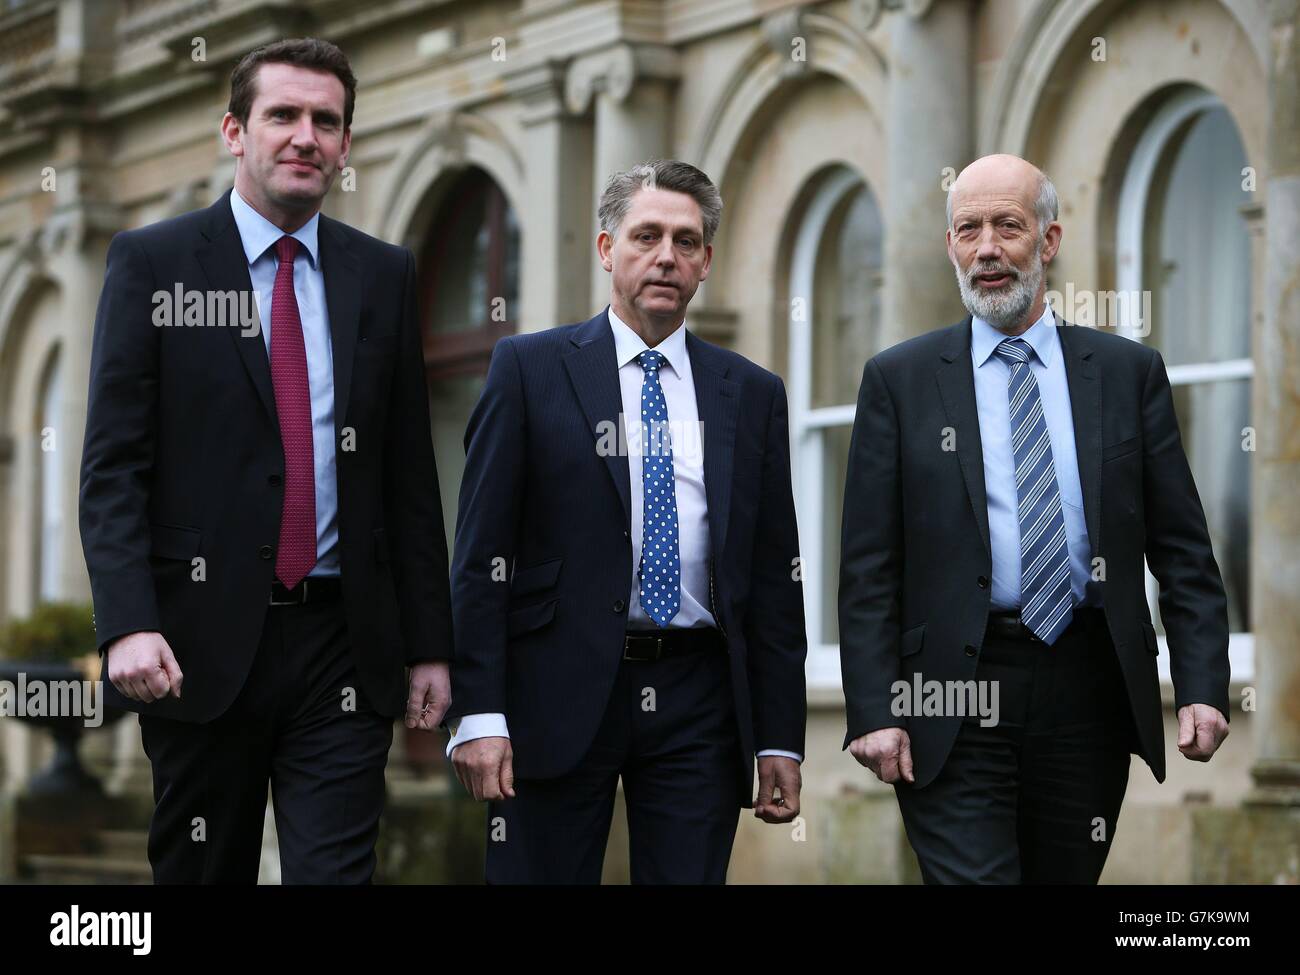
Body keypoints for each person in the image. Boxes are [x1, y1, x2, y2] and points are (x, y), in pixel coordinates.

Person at [79, 38, 453, 884]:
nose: (305, 136)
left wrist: (431, 643)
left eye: (327, 121)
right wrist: (127, 621)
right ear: (234, 131)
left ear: (347, 146)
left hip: (343, 647)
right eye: (283, 114)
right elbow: (112, 466)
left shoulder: (383, 276)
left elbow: (406, 477)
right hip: (198, 646)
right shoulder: (154, 264)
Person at [838, 153, 1231, 884]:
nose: (986, 248)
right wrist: (871, 705)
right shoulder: (899, 380)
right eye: (968, 229)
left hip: (1089, 684)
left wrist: (1203, 682)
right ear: (952, 245)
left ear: (1048, 241)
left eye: (1007, 227)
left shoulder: (1126, 372)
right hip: (952, 689)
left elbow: (1182, 549)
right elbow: (868, 566)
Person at [448, 160, 807, 883]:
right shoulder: (528, 369)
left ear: (706, 261)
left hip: (698, 695)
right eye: (646, 236)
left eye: (686, 240)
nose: (666, 255)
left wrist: (779, 736)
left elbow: (772, 578)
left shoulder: (752, 393)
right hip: (555, 685)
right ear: (609, 248)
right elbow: (481, 554)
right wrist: (479, 711)